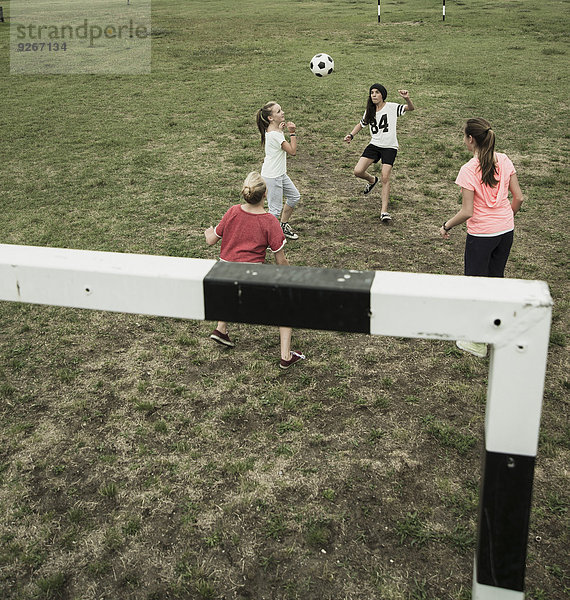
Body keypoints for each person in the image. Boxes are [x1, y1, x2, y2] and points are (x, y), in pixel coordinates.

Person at [440, 117, 524, 357]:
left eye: (463, 136)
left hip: (482, 236)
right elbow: (518, 198)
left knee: (475, 286)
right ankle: (495, 330)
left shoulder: (468, 170)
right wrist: (506, 219)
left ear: (471, 139)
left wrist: (446, 226)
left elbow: (467, 212)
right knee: (495, 280)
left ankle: (477, 342)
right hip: (506, 232)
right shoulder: (505, 160)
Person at [204, 171, 305, 369]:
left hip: (224, 278)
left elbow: (210, 240)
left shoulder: (233, 211)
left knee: (231, 285)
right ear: (265, 194)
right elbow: (280, 260)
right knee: (286, 304)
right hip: (250, 278)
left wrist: (209, 231)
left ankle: (221, 328)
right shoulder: (269, 222)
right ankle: (286, 355)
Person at [344, 84, 415, 223]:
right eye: (372, 92)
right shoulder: (369, 110)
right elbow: (361, 124)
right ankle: (372, 180)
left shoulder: (392, 107)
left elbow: (410, 108)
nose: (374, 95)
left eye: (377, 92)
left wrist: (407, 99)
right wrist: (351, 135)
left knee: (385, 177)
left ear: (382, 95)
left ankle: (384, 211)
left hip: (389, 147)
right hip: (374, 145)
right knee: (358, 171)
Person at [257, 101, 301, 240]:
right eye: (278, 111)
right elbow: (292, 151)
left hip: (280, 174)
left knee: (294, 196)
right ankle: (267, 239)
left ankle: (283, 226)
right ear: (271, 118)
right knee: (274, 210)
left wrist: (281, 130)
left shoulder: (273, 130)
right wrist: (292, 133)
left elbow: (276, 137)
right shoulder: (275, 134)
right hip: (272, 176)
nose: (282, 113)